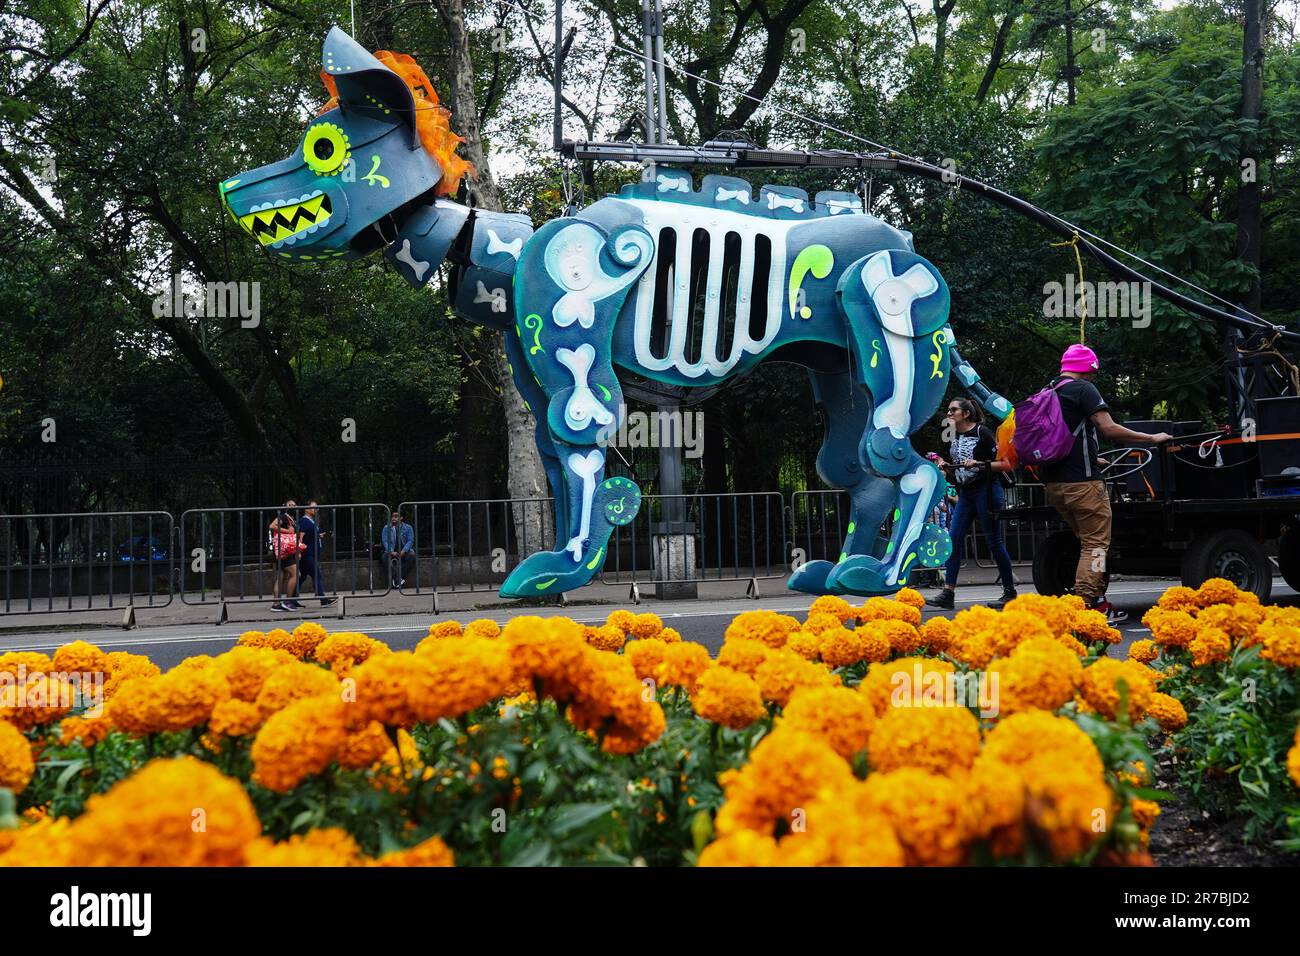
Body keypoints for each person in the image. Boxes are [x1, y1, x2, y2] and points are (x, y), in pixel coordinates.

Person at [1040, 344, 1171, 624]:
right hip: (1083, 485)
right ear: (1089, 369)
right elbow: (1108, 427)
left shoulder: (1048, 392)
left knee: (1087, 542)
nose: (1093, 378)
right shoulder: (1083, 389)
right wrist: (1150, 438)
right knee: (1096, 545)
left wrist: (1092, 457)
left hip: (1055, 484)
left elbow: (1064, 438)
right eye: (1093, 373)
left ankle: (1098, 600)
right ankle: (1087, 606)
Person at [927, 398, 1018, 610]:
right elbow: (953, 469)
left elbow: (1006, 464)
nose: (949, 414)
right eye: (948, 410)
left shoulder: (982, 433)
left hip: (986, 490)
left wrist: (980, 464)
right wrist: (943, 464)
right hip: (966, 493)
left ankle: (1010, 592)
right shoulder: (950, 434)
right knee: (954, 539)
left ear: (966, 414)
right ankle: (948, 593)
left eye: (953, 410)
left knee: (994, 541)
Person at [294, 501, 337, 608]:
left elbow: (309, 535)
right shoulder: (304, 521)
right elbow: (300, 537)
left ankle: (291, 599)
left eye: (316, 508)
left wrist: (318, 535)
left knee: (302, 577)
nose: (315, 510)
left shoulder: (310, 521)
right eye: (313, 507)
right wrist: (299, 552)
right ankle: (322, 599)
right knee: (316, 575)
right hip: (307, 554)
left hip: (311, 554)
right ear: (306, 509)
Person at [269, 500, 303, 612]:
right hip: (284, 552)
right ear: (286, 506)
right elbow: (272, 526)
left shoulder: (291, 519)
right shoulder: (284, 517)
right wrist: (287, 531)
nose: (293, 506)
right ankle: (288, 602)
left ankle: (276, 603)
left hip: (285, 551)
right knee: (296, 574)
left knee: (281, 576)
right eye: (290, 505)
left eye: (294, 505)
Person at [381, 509, 415, 588]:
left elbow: (410, 540)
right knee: (384, 557)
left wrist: (403, 551)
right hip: (391, 550)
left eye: (396, 516)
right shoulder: (386, 528)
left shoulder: (408, 527)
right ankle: (398, 580)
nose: (393, 518)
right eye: (392, 516)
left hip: (404, 550)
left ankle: (397, 579)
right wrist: (391, 551)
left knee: (412, 556)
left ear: (401, 517)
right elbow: (385, 541)